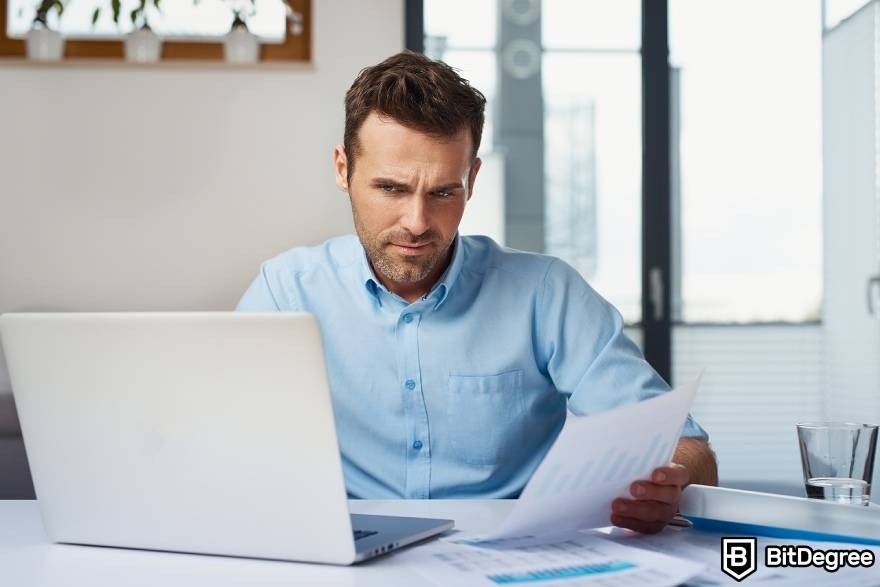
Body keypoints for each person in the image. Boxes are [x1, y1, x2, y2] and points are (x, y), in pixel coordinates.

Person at [237, 50, 718, 534]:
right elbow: (215, 443)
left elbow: (689, 448)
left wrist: (667, 482)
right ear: (343, 170)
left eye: (444, 192)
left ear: (472, 178)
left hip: (508, 560)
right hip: (345, 556)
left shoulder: (545, 294)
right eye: (391, 188)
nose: (417, 223)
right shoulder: (286, 292)